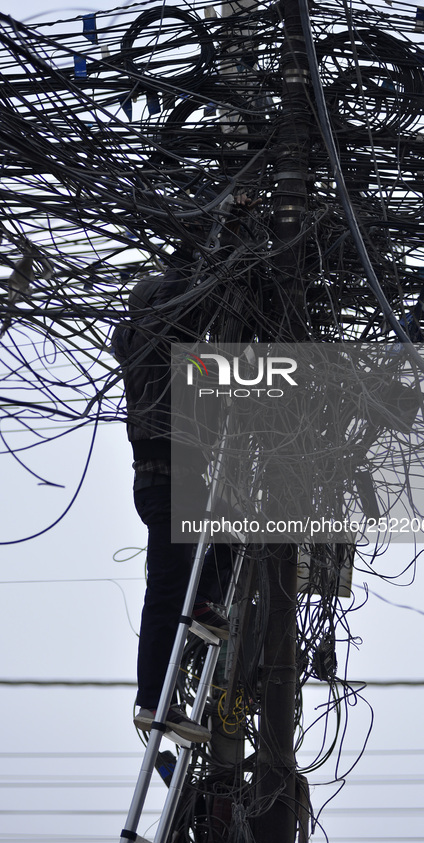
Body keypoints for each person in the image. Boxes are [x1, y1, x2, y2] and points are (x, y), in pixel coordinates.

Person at [112, 229, 240, 744]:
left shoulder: (156, 351)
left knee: (231, 529)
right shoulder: (152, 343)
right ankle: (152, 702)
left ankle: (205, 602)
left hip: (175, 481)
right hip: (167, 483)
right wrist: (209, 247)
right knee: (166, 593)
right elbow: (182, 299)